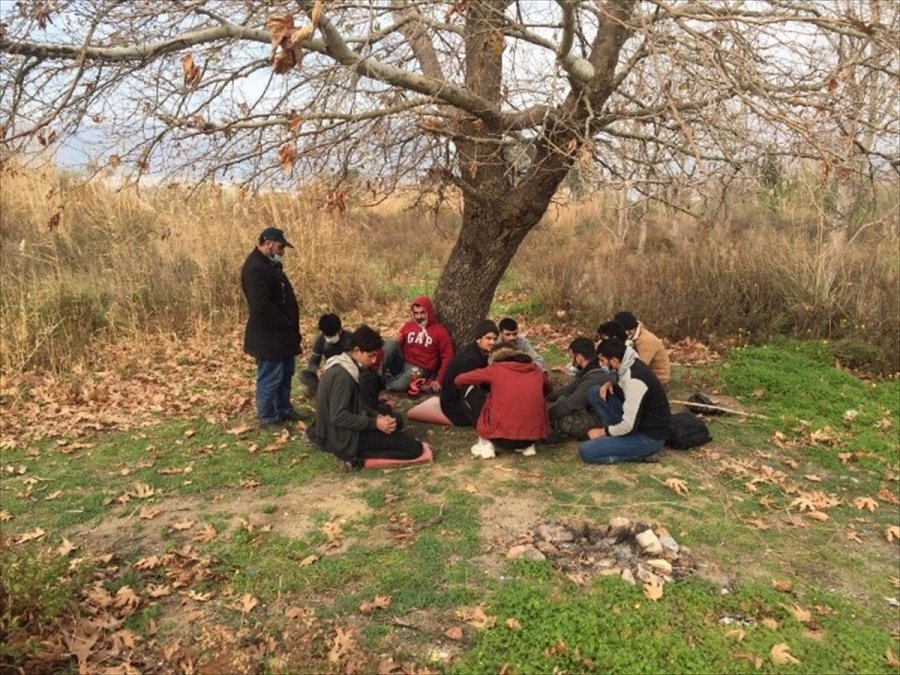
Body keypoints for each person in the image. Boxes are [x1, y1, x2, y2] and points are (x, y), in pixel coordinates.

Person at [308, 325, 425, 467]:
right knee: (414, 449)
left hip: (341, 432)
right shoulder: (343, 376)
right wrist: (374, 423)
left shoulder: (346, 366)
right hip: (343, 439)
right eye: (371, 355)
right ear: (357, 351)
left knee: (396, 427)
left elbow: (357, 403)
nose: (375, 360)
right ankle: (356, 459)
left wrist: (377, 416)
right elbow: (338, 416)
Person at [241, 227, 303, 431]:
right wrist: (285, 322)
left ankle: (283, 409)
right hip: (269, 336)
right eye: (281, 245)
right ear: (268, 243)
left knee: (286, 374)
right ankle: (267, 418)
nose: (283, 250)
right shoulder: (255, 268)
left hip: (283, 335)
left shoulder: (271, 265)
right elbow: (261, 305)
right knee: (270, 377)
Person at [578, 338, 671, 464]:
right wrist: (612, 384)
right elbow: (625, 392)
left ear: (615, 360)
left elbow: (628, 425)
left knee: (586, 450)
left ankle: (642, 455)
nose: (600, 365)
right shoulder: (627, 364)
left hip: (648, 436)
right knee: (595, 392)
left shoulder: (635, 382)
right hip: (638, 422)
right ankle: (615, 438)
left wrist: (602, 432)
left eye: (603, 361)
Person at [455, 347, 552, 459]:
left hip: (499, 438)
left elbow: (460, 379)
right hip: (531, 438)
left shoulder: (497, 369)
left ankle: (485, 442)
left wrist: (487, 385)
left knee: (468, 389)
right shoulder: (536, 371)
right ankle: (527, 446)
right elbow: (548, 389)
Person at [547, 337, 616, 440]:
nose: (571, 361)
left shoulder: (593, 377)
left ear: (579, 358)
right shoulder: (589, 371)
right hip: (595, 412)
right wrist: (543, 398)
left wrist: (545, 417)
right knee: (559, 401)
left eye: (572, 357)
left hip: (603, 419)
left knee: (564, 419)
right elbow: (566, 390)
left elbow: (571, 404)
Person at [382, 296, 454, 393]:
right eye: (416, 313)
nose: (419, 316)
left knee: (398, 386)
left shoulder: (440, 331)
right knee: (390, 343)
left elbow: (448, 357)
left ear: (429, 312)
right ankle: (377, 376)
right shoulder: (409, 326)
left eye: (422, 313)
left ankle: (388, 383)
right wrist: (397, 341)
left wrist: (439, 380)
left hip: (420, 369)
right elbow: (396, 346)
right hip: (402, 362)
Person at [439, 320, 499, 426]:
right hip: (455, 405)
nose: (492, 342)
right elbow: (470, 391)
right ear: (478, 339)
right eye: (488, 338)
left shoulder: (479, 352)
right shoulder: (471, 359)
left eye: (495, 339)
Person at [612, 311, 671, 386]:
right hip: (641, 375)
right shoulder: (631, 337)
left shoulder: (646, 341)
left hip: (657, 379)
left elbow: (639, 367)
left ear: (631, 330)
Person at [299, 313, 352, 396]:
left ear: (340, 330)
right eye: (327, 336)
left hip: (345, 373)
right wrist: (317, 371)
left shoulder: (350, 339)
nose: (329, 339)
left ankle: (322, 390)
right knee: (303, 375)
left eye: (332, 336)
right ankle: (326, 390)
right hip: (328, 373)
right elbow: (313, 363)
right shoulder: (320, 340)